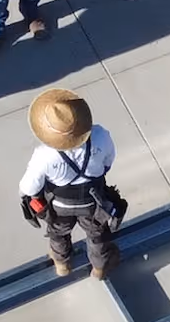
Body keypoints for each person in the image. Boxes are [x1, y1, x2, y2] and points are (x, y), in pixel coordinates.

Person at [18, 88, 125, 278]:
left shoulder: (43, 155)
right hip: (94, 203)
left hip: (59, 206)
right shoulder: (100, 135)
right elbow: (108, 162)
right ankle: (99, 268)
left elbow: (28, 188)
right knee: (97, 234)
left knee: (57, 234)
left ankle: (62, 264)